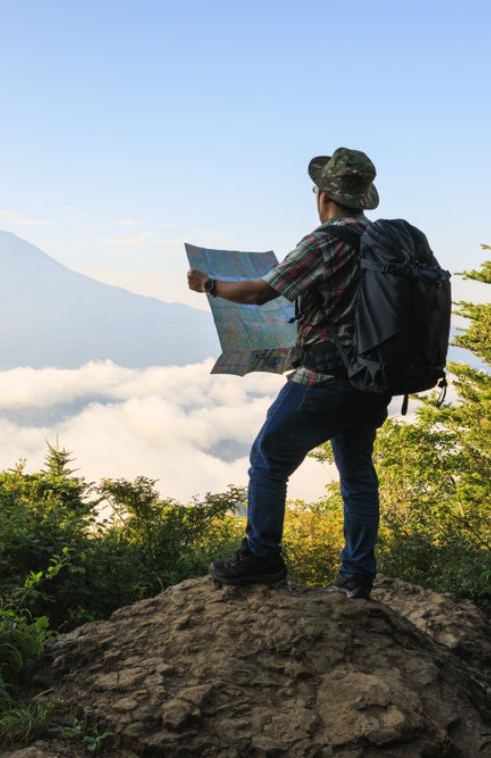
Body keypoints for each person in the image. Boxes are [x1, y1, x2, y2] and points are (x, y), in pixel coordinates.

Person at [186, 147, 391, 600]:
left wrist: (210, 285)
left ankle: (262, 558)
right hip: (374, 381)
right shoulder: (382, 243)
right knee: (357, 472)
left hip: (326, 380)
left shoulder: (326, 242)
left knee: (268, 458)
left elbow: (261, 293)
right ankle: (357, 575)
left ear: (323, 196)